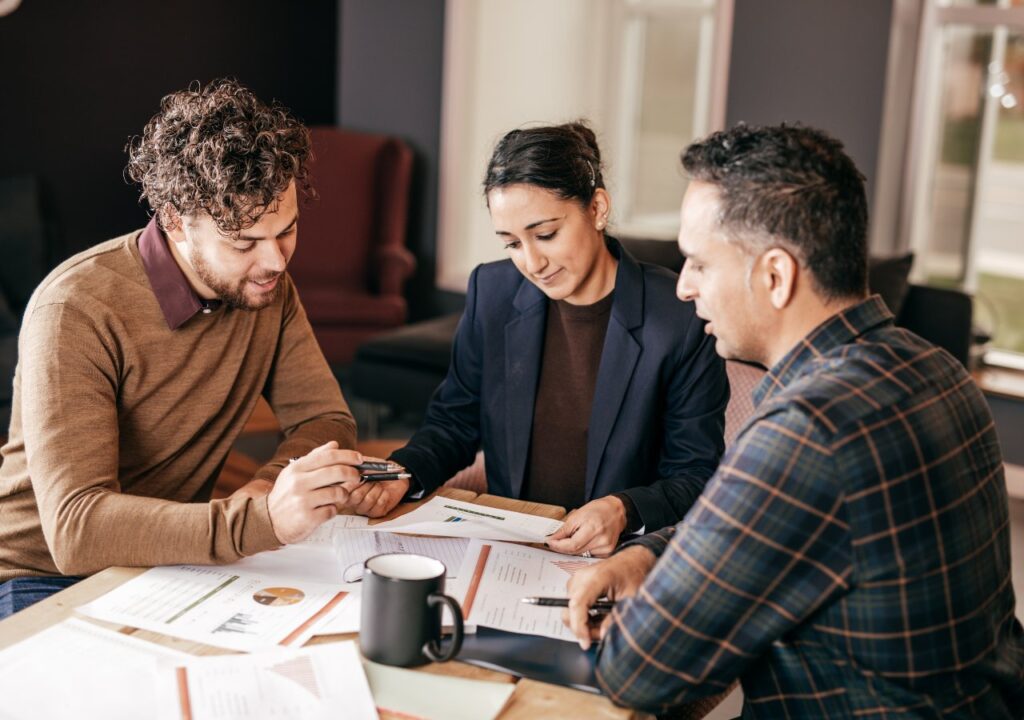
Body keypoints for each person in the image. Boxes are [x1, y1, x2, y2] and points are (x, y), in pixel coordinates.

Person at [564, 124, 1024, 716]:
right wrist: (649, 555)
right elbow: (775, 520)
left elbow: (639, 673)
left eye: (699, 264)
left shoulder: (807, 428)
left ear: (775, 276)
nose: (683, 288)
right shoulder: (933, 368)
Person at [0, 79, 362, 619]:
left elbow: (326, 417)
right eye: (243, 243)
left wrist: (269, 485)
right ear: (174, 221)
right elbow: (76, 529)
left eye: (286, 231)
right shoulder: (76, 307)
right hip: (42, 576)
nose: (276, 261)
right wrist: (264, 519)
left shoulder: (267, 287)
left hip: (170, 559)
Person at [345, 122, 728, 557]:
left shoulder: (678, 315)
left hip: (618, 558)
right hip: (512, 548)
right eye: (511, 243)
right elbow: (454, 421)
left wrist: (624, 509)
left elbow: (696, 473)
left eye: (546, 234)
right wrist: (405, 471)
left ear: (598, 208)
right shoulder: (493, 292)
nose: (532, 262)